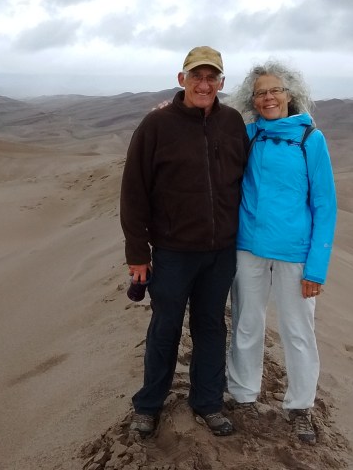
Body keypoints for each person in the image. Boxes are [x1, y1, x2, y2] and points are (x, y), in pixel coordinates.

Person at [120, 46, 248, 437]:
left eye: (212, 78)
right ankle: (148, 405)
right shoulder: (156, 126)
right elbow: (134, 191)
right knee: (166, 327)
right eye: (197, 77)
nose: (204, 84)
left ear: (222, 83)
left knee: (211, 327)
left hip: (221, 251)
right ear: (182, 80)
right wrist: (138, 254)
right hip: (174, 251)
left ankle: (207, 402)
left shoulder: (232, 123)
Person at [226, 60, 337, 445]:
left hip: (295, 253)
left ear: (290, 94)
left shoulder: (310, 138)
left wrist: (317, 268)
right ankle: (242, 397)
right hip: (249, 247)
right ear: (252, 100)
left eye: (275, 90)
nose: (268, 97)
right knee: (246, 323)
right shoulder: (248, 134)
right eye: (260, 93)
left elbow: (325, 205)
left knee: (298, 331)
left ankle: (300, 407)